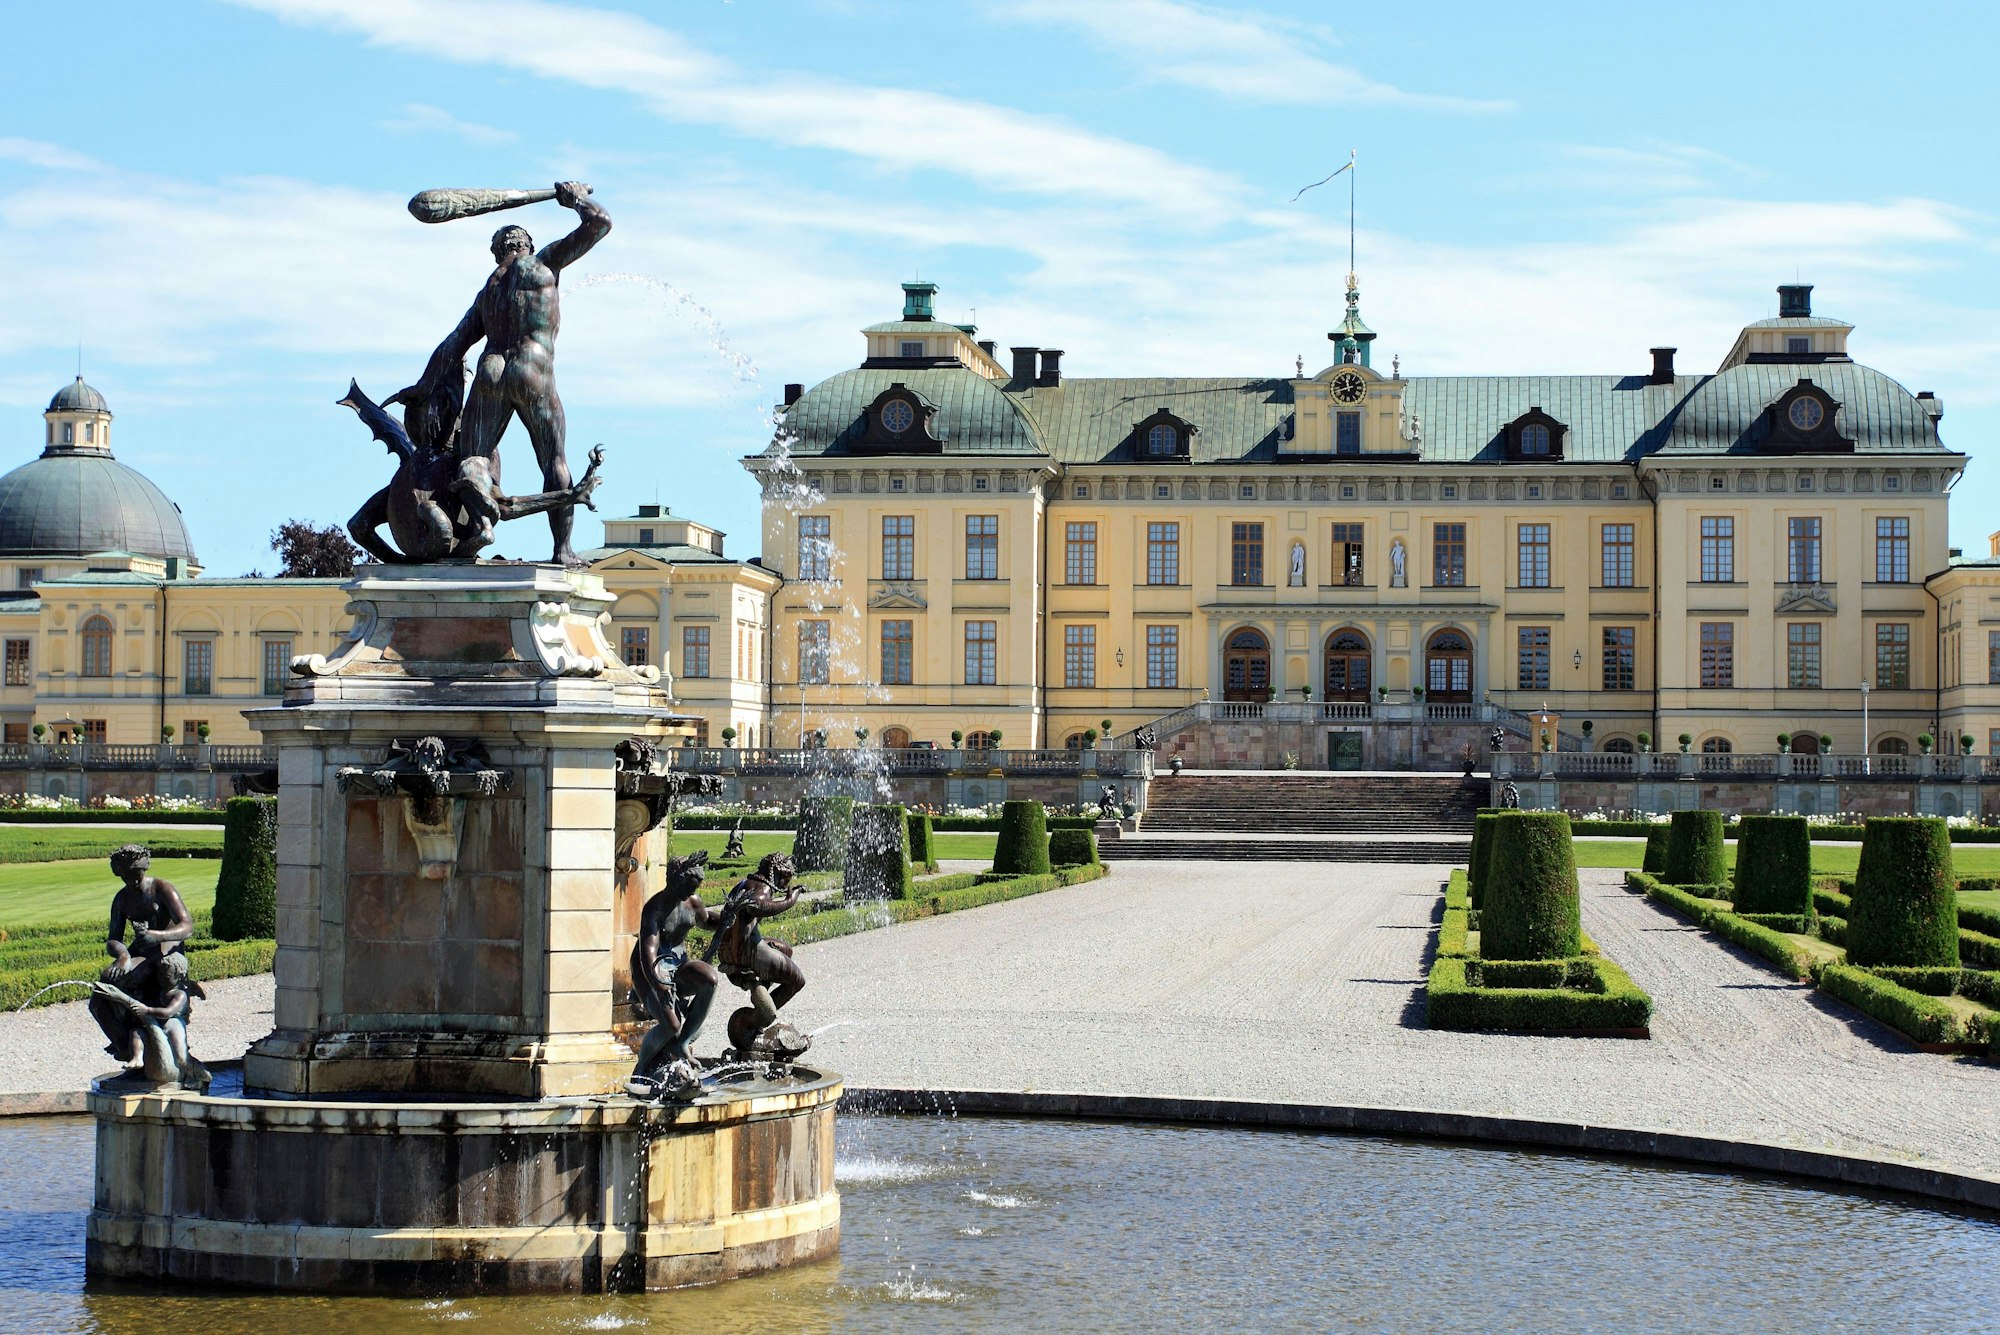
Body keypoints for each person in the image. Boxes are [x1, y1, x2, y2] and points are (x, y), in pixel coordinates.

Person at [421, 181, 611, 566]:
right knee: (554, 461)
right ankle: (563, 550)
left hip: (490, 370)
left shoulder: (487, 293)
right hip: (533, 368)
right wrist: (575, 200)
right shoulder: (544, 264)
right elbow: (600, 223)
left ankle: (480, 527)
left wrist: (424, 387)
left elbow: (453, 345)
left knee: (472, 458)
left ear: (497, 254)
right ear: (527, 244)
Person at [89, 845, 201, 1068]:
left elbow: (187, 926)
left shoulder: (161, 888)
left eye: (136, 876)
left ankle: (147, 1040)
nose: (132, 882)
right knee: (100, 997)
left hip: (167, 949)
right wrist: (122, 955)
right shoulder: (122, 899)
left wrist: (158, 936)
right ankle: (125, 1047)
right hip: (141, 951)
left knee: (138, 979)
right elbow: (113, 938)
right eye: (126, 877)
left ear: (143, 870)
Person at [626, 852, 721, 1099]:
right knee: (671, 1024)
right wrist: (658, 983)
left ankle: (683, 1043)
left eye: (695, 887)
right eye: (689, 886)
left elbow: (709, 920)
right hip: (650, 970)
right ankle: (642, 1067)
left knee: (709, 978)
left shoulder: (692, 903)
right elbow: (648, 951)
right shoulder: (655, 909)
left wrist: (730, 918)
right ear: (674, 880)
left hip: (679, 964)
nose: (692, 892)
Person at [709, 851, 809, 1058]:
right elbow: (758, 906)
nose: (784, 883)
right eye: (785, 877)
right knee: (797, 981)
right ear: (774, 871)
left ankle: (759, 989)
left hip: (730, 950)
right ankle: (756, 1019)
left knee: (785, 949)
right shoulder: (762, 887)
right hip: (746, 953)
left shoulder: (746, 882)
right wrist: (791, 899)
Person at [90, 950, 210, 1091]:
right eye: (159, 974)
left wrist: (147, 1011)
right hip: (160, 1023)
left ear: (180, 975)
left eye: (166, 976)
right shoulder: (161, 990)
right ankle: (137, 1058)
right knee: (137, 1032)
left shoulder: (180, 994)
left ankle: (199, 1074)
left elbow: (168, 1012)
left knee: (181, 1056)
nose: (161, 978)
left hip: (173, 1024)